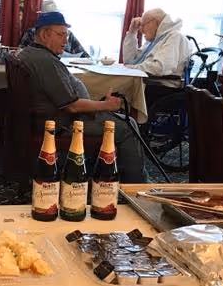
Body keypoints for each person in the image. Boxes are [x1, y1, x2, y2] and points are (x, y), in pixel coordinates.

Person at [18, 11, 146, 182]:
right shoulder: (44, 61)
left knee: (123, 121)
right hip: (63, 123)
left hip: (56, 118)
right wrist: (106, 105)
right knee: (128, 126)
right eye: (61, 34)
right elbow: (72, 106)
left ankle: (103, 176)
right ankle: (135, 183)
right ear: (44, 34)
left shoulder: (30, 53)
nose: (66, 40)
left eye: (66, 35)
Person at [122, 8, 191, 78]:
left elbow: (159, 68)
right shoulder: (154, 41)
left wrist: (129, 68)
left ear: (155, 22)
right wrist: (132, 33)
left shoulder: (174, 37)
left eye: (143, 25)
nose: (141, 29)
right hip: (145, 80)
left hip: (158, 83)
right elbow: (129, 60)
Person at [18, 0, 89, 57]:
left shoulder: (69, 33)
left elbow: (84, 56)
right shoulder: (31, 33)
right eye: (60, 34)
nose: (65, 41)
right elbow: (20, 54)